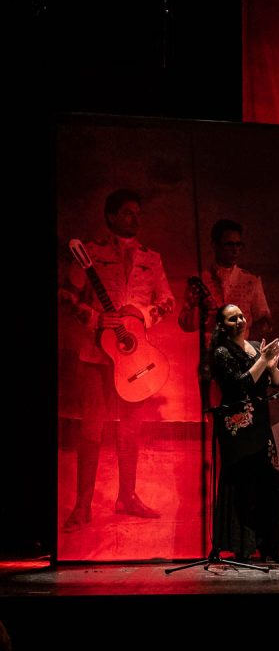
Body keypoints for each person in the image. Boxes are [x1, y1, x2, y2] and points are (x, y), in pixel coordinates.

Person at [58, 188, 174, 531]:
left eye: (137, 212)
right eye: (126, 213)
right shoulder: (89, 253)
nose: (134, 218)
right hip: (95, 355)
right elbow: (65, 295)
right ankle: (82, 505)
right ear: (110, 217)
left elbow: (167, 301)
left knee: (131, 429)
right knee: (91, 427)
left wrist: (141, 316)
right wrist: (94, 318)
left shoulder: (151, 258)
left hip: (134, 358)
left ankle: (127, 497)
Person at [208, 304, 279, 563]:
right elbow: (241, 385)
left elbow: (275, 382)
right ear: (223, 326)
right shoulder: (222, 352)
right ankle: (241, 548)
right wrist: (262, 361)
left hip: (260, 423)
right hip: (238, 424)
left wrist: (272, 365)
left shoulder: (256, 345)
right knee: (243, 485)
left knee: (268, 483)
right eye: (233, 319)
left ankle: (271, 547)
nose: (240, 320)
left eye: (241, 316)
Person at [178, 218, 272, 340]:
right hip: (211, 354)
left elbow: (264, 322)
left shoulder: (251, 281)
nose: (235, 250)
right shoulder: (199, 280)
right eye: (229, 244)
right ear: (215, 245)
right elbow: (186, 325)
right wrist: (196, 307)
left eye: (238, 244)